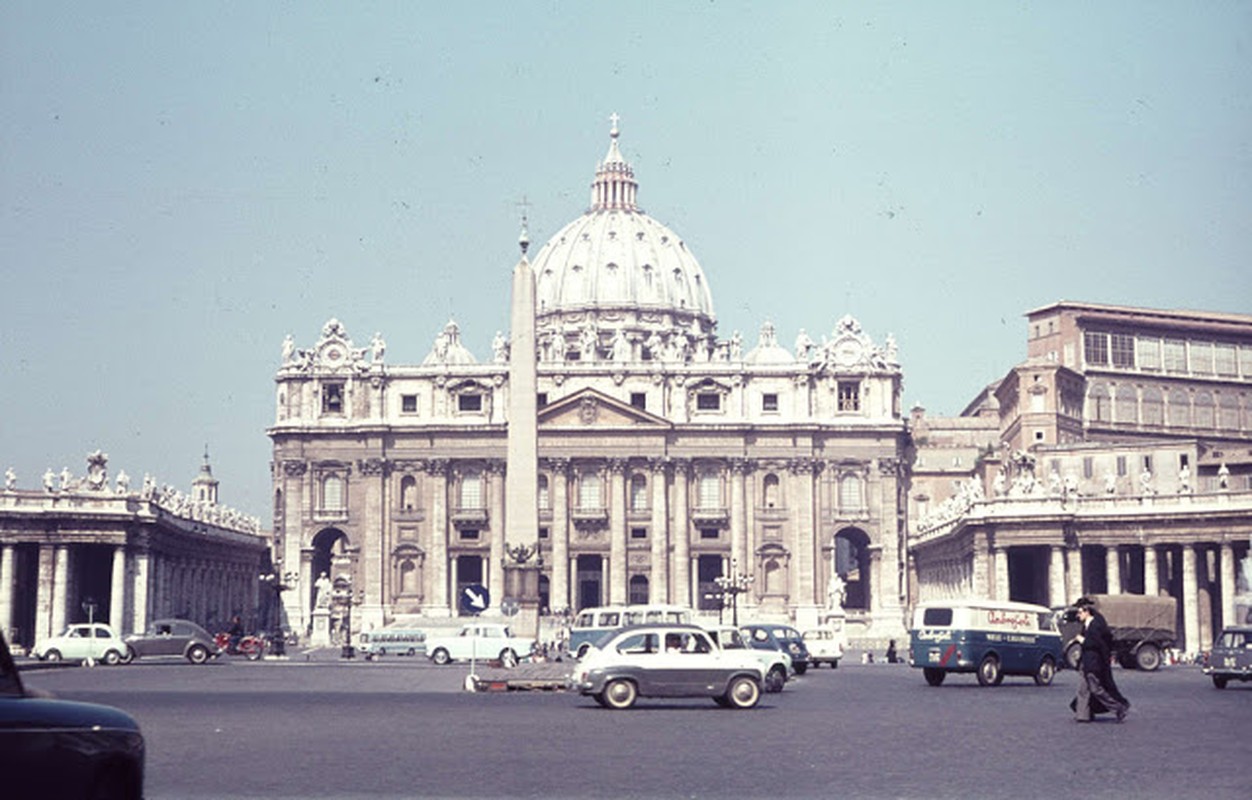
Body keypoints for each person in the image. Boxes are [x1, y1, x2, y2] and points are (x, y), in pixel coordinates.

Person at [1070, 598, 1130, 722]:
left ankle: (1118, 707)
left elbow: (1098, 645)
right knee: (1083, 689)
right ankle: (1083, 715)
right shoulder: (1086, 625)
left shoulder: (1096, 625)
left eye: (1080, 612)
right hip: (1085, 662)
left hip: (1094, 663)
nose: (1078, 615)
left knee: (1095, 689)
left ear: (1087, 612)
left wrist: (1083, 641)